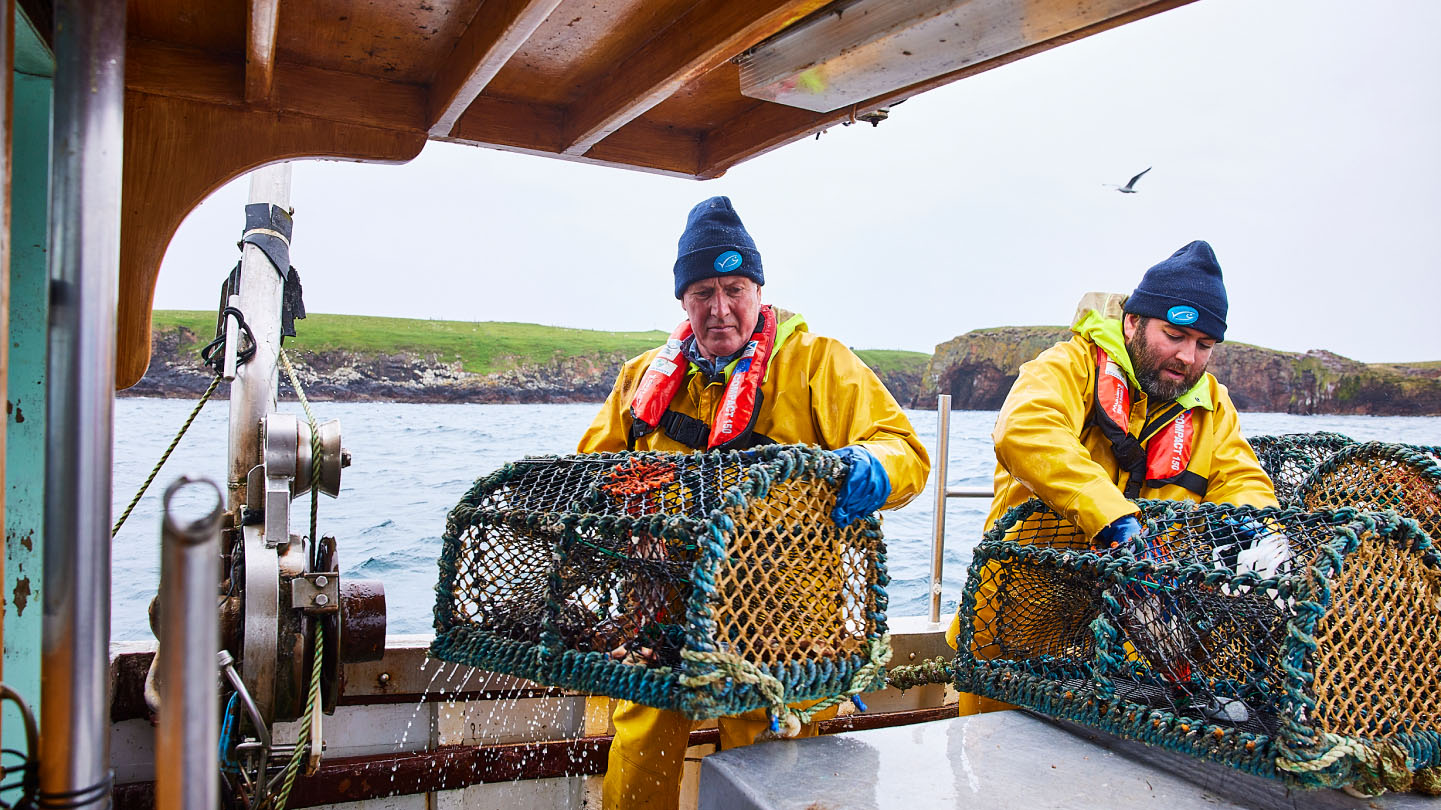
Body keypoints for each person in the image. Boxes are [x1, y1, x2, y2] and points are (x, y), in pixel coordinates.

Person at [578, 196, 931, 810]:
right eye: (703, 293)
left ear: (760, 291)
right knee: (639, 745)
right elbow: (589, 472)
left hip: (783, 612)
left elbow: (906, 452)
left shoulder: (818, 363)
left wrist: (870, 468)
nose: (720, 310)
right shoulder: (642, 376)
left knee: (772, 764)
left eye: (735, 289)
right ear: (682, 302)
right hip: (665, 603)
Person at [945, 240, 1280, 715]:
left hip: (1137, 639)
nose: (1188, 356)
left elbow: (1242, 480)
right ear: (1133, 321)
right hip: (1016, 623)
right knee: (996, 763)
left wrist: (1256, 530)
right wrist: (1115, 520)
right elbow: (1024, 429)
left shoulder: (1212, 406)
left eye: (1204, 345)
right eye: (1176, 334)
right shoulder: (1068, 365)